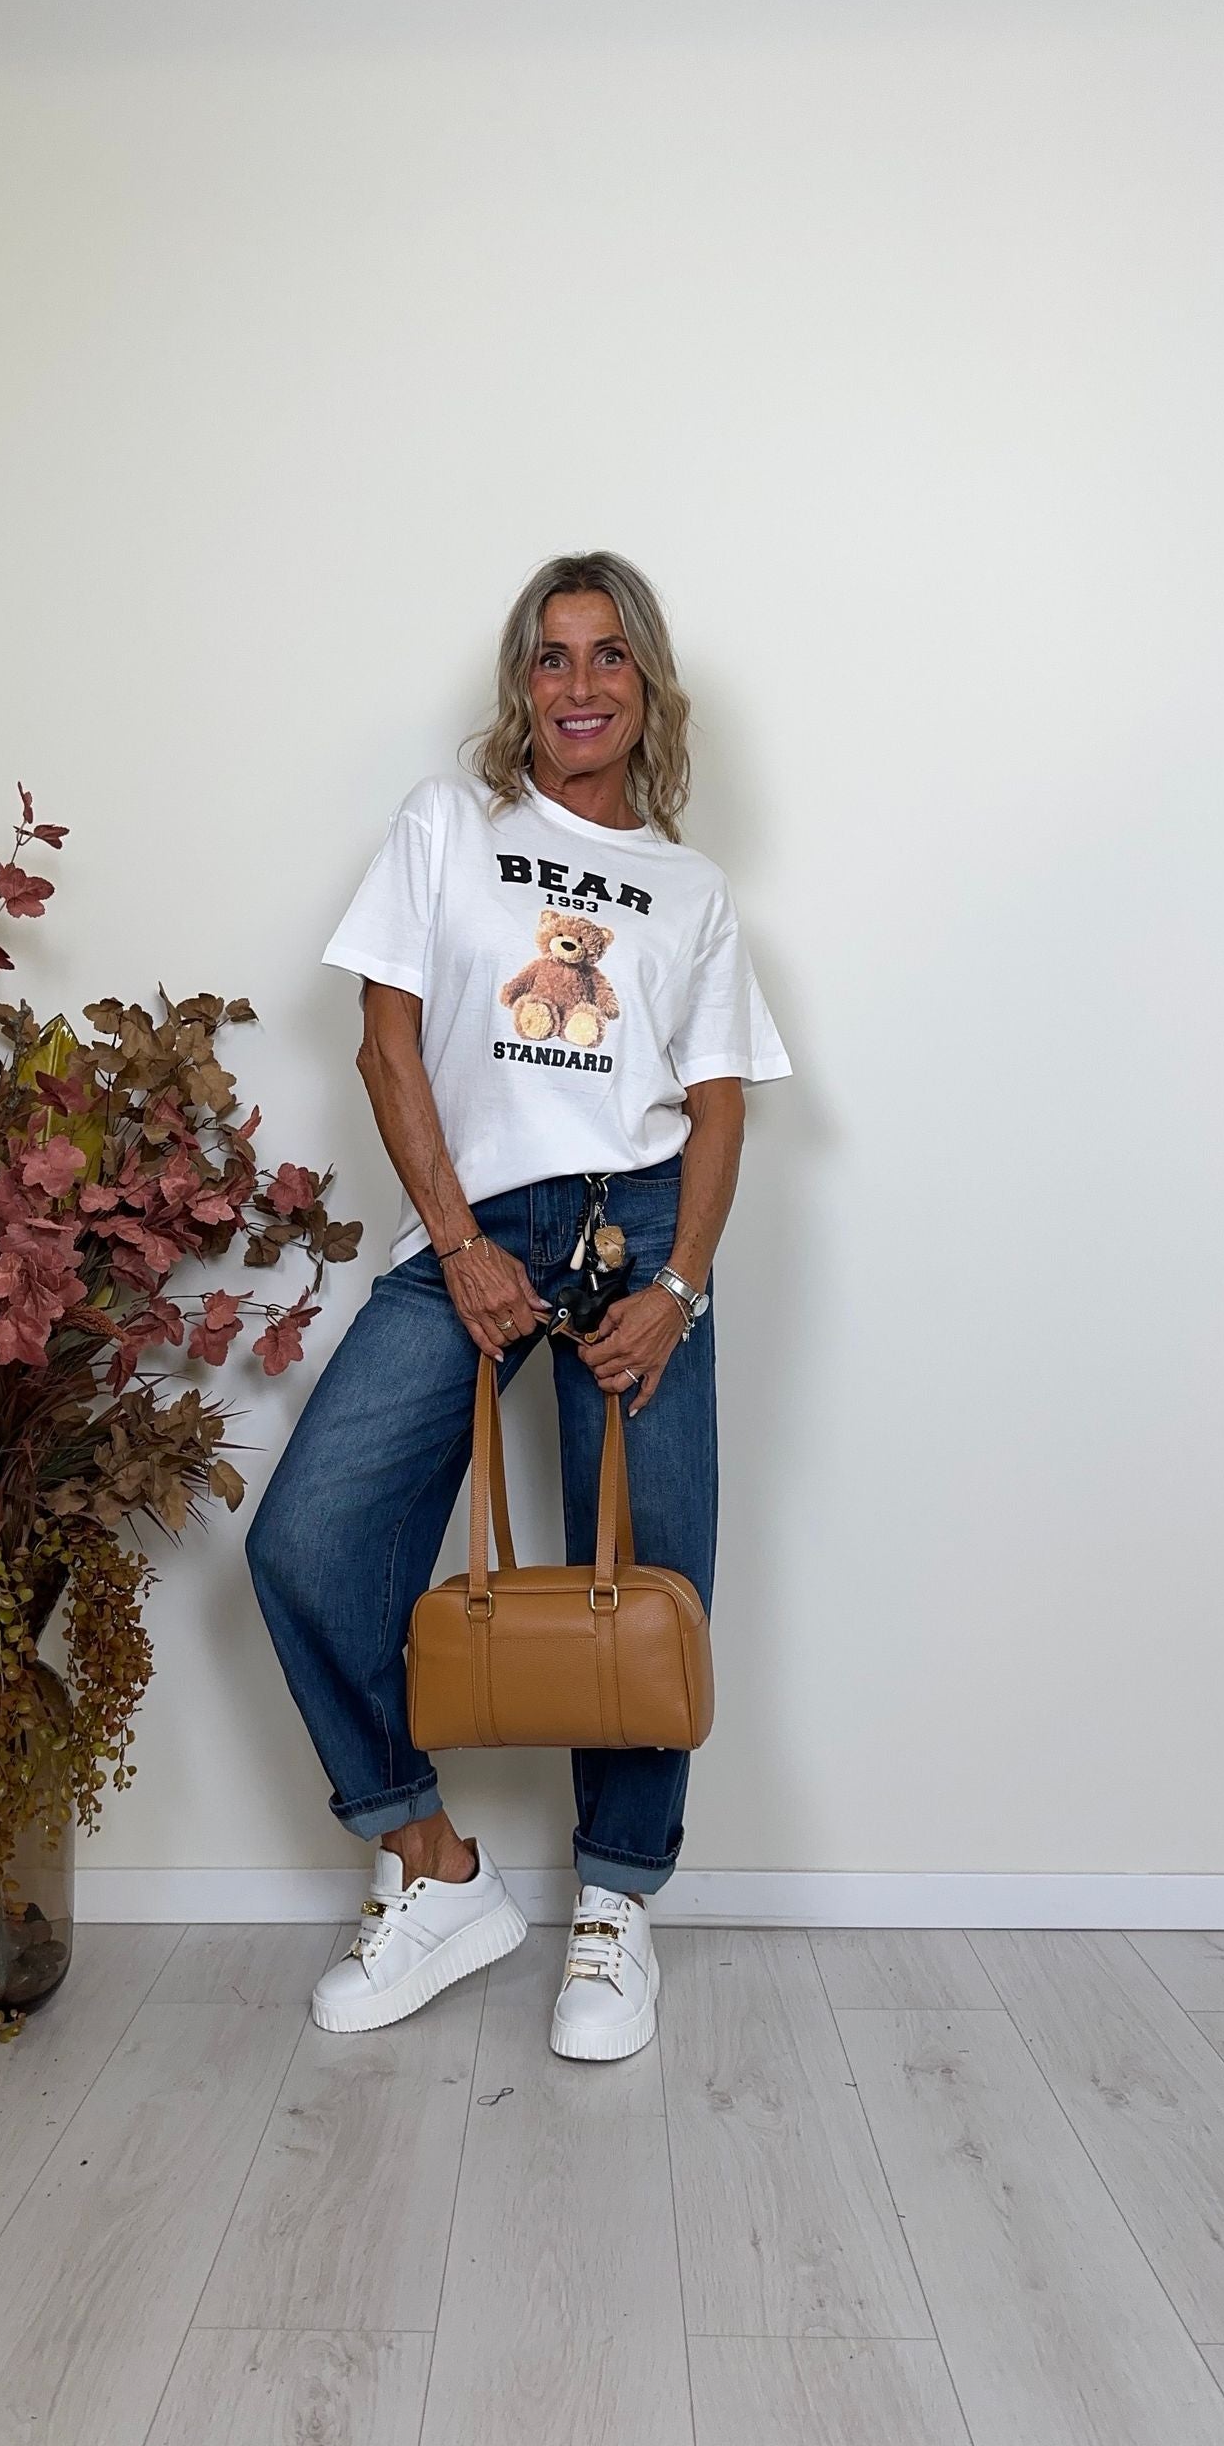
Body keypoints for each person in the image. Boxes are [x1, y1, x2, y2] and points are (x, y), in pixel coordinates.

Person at [247, 551, 790, 2060]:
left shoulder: (692, 891)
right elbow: (385, 1043)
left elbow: (721, 1107)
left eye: (609, 656)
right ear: (521, 686)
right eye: (552, 657)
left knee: (647, 1569)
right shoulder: (449, 825)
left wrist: (680, 1286)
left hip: (639, 1227)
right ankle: (431, 1867)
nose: (580, 684)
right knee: (309, 1538)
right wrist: (457, 1241)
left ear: (648, 687)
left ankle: (615, 1904)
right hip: (475, 1227)